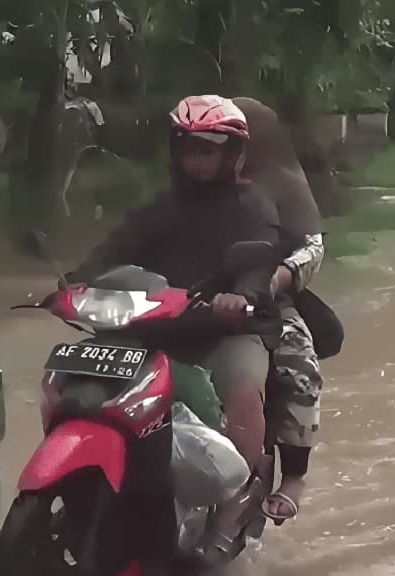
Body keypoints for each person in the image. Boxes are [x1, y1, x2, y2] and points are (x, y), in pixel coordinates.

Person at [68, 95, 281, 472]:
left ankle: (236, 496)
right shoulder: (162, 207)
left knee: (244, 390)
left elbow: (260, 260)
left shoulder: (253, 207)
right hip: (158, 327)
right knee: (80, 376)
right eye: (187, 148)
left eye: (206, 150)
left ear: (232, 153)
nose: (195, 159)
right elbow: (119, 245)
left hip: (226, 331)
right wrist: (75, 281)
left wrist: (241, 296)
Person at [233, 97, 326, 525]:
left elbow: (313, 245)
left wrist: (282, 276)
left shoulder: (284, 182)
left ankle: (294, 476)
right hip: (189, 296)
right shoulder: (192, 185)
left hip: (267, 300)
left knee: (298, 365)